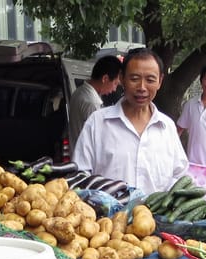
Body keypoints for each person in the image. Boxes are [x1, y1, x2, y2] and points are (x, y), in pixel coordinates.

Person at [72, 48, 188, 194]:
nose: (142, 87)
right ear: (122, 78)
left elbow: (179, 176)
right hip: (105, 209)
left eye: (150, 80)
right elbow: (80, 175)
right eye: (134, 79)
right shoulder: (97, 123)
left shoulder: (167, 127)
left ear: (160, 81)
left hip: (155, 210)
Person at [68, 56, 122, 152]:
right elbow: (99, 139)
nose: (114, 89)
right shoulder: (92, 102)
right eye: (115, 84)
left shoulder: (79, 92)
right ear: (105, 79)